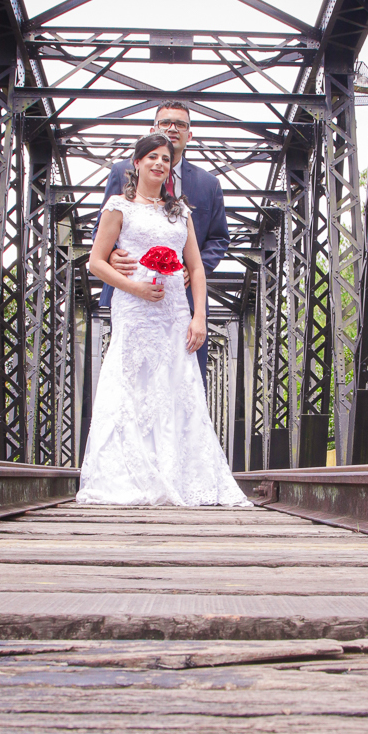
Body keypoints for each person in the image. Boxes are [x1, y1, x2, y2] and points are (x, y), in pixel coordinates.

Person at [76, 134, 249, 508]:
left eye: (165, 159)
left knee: (176, 384)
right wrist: (134, 288)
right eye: (151, 157)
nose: (159, 163)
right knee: (133, 384)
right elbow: (95, 262)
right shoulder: (118, 206)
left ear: (171, 167)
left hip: (174, 311)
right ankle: (130, 475)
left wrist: (200, 316)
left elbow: (197, 267)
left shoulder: (180, 212)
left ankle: (178, 474)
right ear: (136, 164)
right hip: (135, 310)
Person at [96, 103, 229, 386]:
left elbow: (219, 238)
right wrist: (111, 257)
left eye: (180, 124)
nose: (172, 128)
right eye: (165, 122)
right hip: (132, 297)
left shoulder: (208, 184)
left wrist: (192, 271)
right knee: (132, 382)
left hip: (182, 302)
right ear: (152, 129)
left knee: (184, 383)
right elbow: (102, 233)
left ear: (189, 134)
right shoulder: (120, 173)